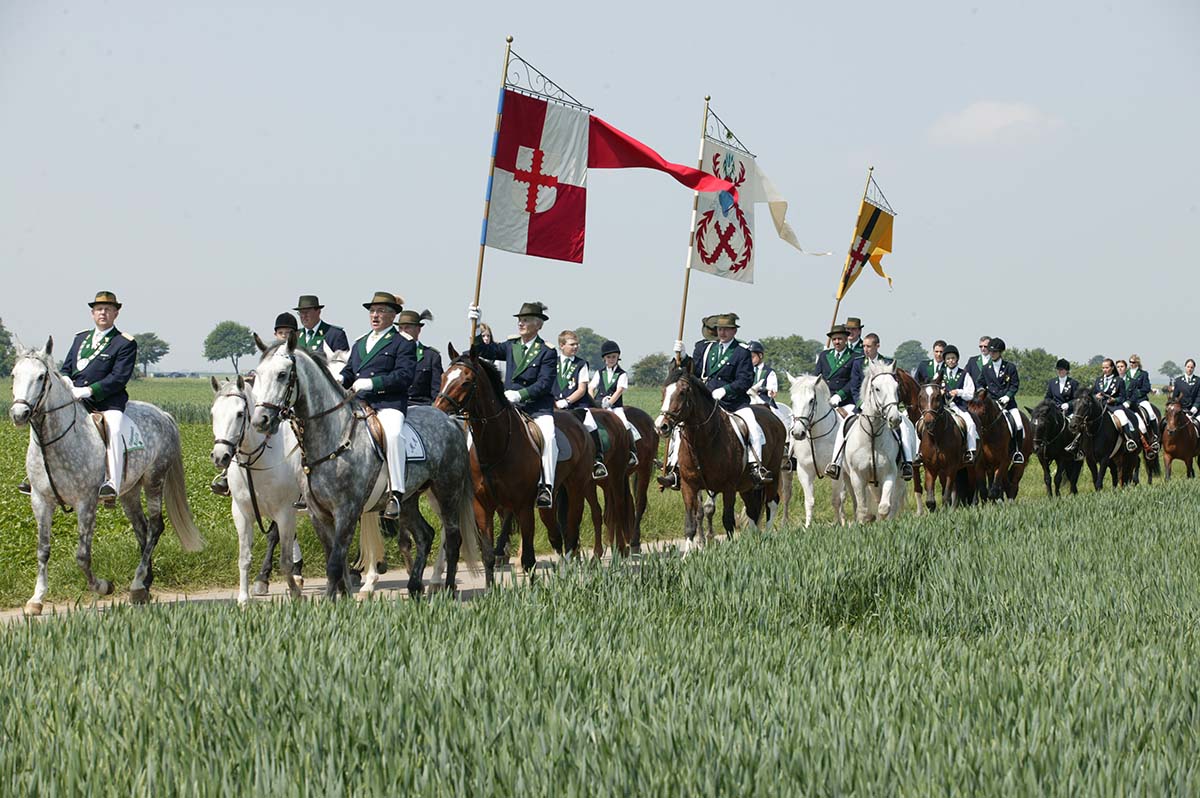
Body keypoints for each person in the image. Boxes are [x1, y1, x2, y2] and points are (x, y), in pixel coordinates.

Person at [19, 291, 138, 501]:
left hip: (106, 403)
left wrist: (89, 390)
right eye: (99, 309)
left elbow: (119, 378)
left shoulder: (124, 343)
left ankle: (112, 481)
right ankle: (35, 477)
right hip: (75, 399)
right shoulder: (80, 338)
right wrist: (66, 382)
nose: (103, 313)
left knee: (115, 427)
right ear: (92, 313)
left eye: (108, 309)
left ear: (116, 314)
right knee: (45, 421)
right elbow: (66, 368)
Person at [660, 313, 768, 489]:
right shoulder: (710, 349)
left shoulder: (742, 352)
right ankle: (675, 470)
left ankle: (756, 467)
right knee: (681, 430)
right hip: (707, 403)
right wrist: (685, 357)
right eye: (719, 329)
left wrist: (726, 390)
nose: (722, 332)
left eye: (726, 329)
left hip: (734, 403)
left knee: (753, 427)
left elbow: (745, 379)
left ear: (734, 331)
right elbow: (694, 372)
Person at [469, 301, 559, 508]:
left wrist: (520, 395)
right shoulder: (511, 345)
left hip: (537, 408)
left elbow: (545, 384)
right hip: (510, 407)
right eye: (520, 320)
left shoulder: (547, 351)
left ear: (539, 325)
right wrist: (477, 323)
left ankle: (546, 485)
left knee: (549, 436)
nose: (521, 323)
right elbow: (484, 350)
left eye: (526, 320)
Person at [210, 311, 301, 497]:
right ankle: (228, 474)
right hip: (269, 409)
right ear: (275, 334)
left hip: (292, 409)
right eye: (281, 332)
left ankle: (303, 482)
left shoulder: (298, 354)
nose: (284, 336)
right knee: (242, 430)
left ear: (295, 335)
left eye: (288, 332)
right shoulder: (268, 358)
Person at [342, 291, 415, 520]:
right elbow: (349, 371)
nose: (375, 315)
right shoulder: (360, 342)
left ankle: (395, 493)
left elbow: (404, 376)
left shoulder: (402, 343)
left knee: (393, 436)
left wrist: (373, 383)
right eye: (373, 311)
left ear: (393, 316)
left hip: (388, 403)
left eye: (381, 311)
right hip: (359, 402)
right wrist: (339, 379)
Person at [826, 332, 914, 480]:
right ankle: (835, 463)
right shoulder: (858, 362)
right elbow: (854, 387)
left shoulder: (888, 363)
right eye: (864, 346)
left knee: (903, 427)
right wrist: (861, 404)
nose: (865, 349)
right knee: (844, 426)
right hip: (862, 406)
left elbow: (894, 388)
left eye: (869, 346)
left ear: (877, 346)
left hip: (885, 407)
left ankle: (907, 462)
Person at [554, 330, 606, 479]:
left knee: (591, 424)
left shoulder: (581, 364)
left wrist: (566, 401)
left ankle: (597, 460)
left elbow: (582, 389)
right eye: (572, 344)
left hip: (576, 405)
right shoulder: (552, 362)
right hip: (554, 405)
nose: (576, 347)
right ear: (562, 345)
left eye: (577, 344)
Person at [587, 340, 642, 468]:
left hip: (615, 406)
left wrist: (610, 403)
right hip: (598, 404)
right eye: (608, 357)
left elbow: (619, 390)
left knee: (625, 423)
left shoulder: (622, 374)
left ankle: (631, 451)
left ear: (618, 357)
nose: (611, 359)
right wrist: (592, 401)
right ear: (604, 358)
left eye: (614, 357)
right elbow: (591, 387)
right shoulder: (599, 373)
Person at [819, 325, 863, 479]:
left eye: (840, 339)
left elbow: (854, 381)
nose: (837, 342)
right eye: (834, 339)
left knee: (850, 423)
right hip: (825, 399)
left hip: (846, 401)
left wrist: (840, 395)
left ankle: (837, 461)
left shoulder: (855, 356)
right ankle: (791, 454)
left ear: (846, 339)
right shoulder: (824, 356)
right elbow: (817, 377)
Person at [975, 337, 1025, 464]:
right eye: (990, 351)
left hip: (1008, 404)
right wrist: (981, 391)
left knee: (1019, 424)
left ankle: (1017, 452)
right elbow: (979, 382)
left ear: (1000, 352)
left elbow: (1014, 385)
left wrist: (1008, 396)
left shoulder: (1010, 367)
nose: (992, 354)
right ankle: (978, 450)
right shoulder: (986, 368)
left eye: (995, 352)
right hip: (992, 403)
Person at [396, 309, 442, 407]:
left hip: (422, 408)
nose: (403, 332)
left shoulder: (431, 356)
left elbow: (436, 392)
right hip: (396, 406)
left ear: (418, 329)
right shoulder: (391, 355)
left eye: (407, 328)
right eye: (400, 328)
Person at [941, 345, 978, 463]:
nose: (950, 360)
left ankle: (971, 451)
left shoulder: (964, 374)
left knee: (971, 424)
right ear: (945, 360)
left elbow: (970, 393)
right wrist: (940, 391)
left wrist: (959, 392)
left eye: (953, 358)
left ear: (957, 359)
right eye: (948, 358)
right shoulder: (940, 374)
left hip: (959, 406)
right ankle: (919, 452)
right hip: (942, 406)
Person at [1124, 354, 1158, 451]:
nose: (1131, 364)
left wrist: (1136, 394)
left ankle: (1155, 435)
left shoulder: (1143, 374)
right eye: (1130, 362)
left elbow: (1146, 388)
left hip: (1141, 399)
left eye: (1133, 362)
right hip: (1128, 400)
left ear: (1137, 363)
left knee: (1151, 414)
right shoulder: (1126, 374)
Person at [747, 341, 778, 408]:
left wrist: (762, 389)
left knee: (776, 414)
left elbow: (773, 391)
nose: (749, 360)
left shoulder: (769, 372)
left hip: (764, 401)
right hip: (747, 400)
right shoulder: (745, 371)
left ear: (760, 355)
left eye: (752, 357)